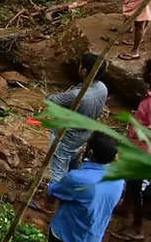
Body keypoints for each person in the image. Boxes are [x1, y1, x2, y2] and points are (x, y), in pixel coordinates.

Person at [48, 132, 125, 242]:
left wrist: (50, 188)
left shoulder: (77, 178)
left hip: (65, 232)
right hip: (92, 237)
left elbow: (56, 191)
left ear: (90, 152)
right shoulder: (119, 179)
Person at [46, 54, 110, 183]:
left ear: (84, 71)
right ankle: (74, 184)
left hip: (67, 137)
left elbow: (52, 101)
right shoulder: (102, 88)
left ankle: (55, 195)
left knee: (58, 169)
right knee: (74, 161)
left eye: (80, 65)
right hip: (85, 134)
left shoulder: (76, 95)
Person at [115, 58, 151, 241]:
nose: (142, 72)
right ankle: (125, 208)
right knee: (131, 182)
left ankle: (137, 227)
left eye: (145, 69)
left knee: (135, 187)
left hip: (142, 153)